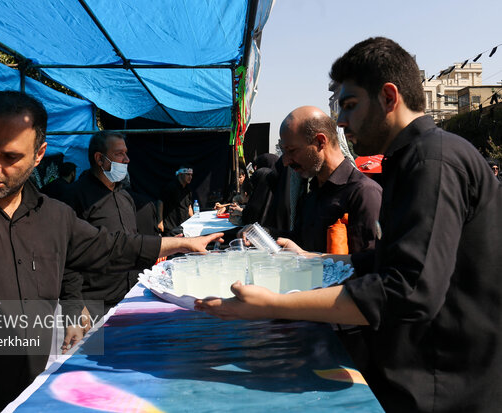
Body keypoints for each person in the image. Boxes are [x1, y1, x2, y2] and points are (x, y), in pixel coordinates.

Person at [196, 37, 502, 413]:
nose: (342, 121)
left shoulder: (432, 161)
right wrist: (320, 261)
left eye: (350, 105)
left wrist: (275, 304)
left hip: (445, 384)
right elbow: (390, 258)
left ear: (389, 97)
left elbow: (408, 288)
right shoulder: (408, 161)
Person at [0, 91, 222, 411]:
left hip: (27, 394)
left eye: (10, 157)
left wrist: (182, 243)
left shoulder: (54, 217)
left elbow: (110, 246)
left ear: (39, 155)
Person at [278, 106, 381, 254]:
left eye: (292, 151)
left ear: (320, 142)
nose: (286, 161)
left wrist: (309, 258)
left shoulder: (363, 193)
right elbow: (298, 242)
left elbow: (370, 265)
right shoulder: (311, 194)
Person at [62, 131, 142, 316]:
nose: (127, 159)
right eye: (119, 154)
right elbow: (65, 254)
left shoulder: (125, 197)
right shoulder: (75, 197)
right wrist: (75, 304)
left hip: (130, 296)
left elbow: (132, 243)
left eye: (126, 153)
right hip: (94, 305)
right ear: (99, 159)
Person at [158, 165, 194, 235]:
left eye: (191, 175)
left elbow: (189, 206)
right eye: (188, 174)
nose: (190, 177)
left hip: (183, 227)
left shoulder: (188, 190)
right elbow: (160, 202)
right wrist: (160, 222)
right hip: (170, 227)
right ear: (181, 174)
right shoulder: (170, 187)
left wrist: (193, 220)